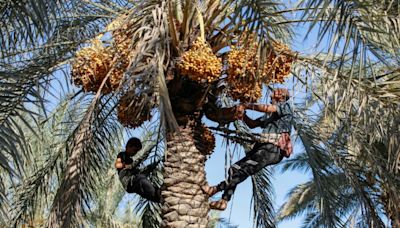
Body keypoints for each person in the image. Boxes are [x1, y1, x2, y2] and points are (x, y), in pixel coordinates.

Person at [202, 88, 293, 210]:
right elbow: (252, 124)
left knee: (244, 170)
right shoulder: (269, 115)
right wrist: (242, 115)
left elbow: (269, 108)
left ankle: (215, 189)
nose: (271, 93)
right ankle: (223, 201)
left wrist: (246, 105)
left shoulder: (286, 107)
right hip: (262, 147)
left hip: (272, 150)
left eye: (275, 92)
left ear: (281, 96)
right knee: (234, 169)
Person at [115, 137, 162, 203]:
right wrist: (128, 166)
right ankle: (156, 193)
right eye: (134, 150)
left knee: (144, 190)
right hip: (127, 181)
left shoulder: (130, 160)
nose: (135, 153)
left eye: (137, 151)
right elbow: (117, 165)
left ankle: (158, 198)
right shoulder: (122, 154)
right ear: (128, 146)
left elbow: (137, 168)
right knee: (140, 178)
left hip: (133, 181)